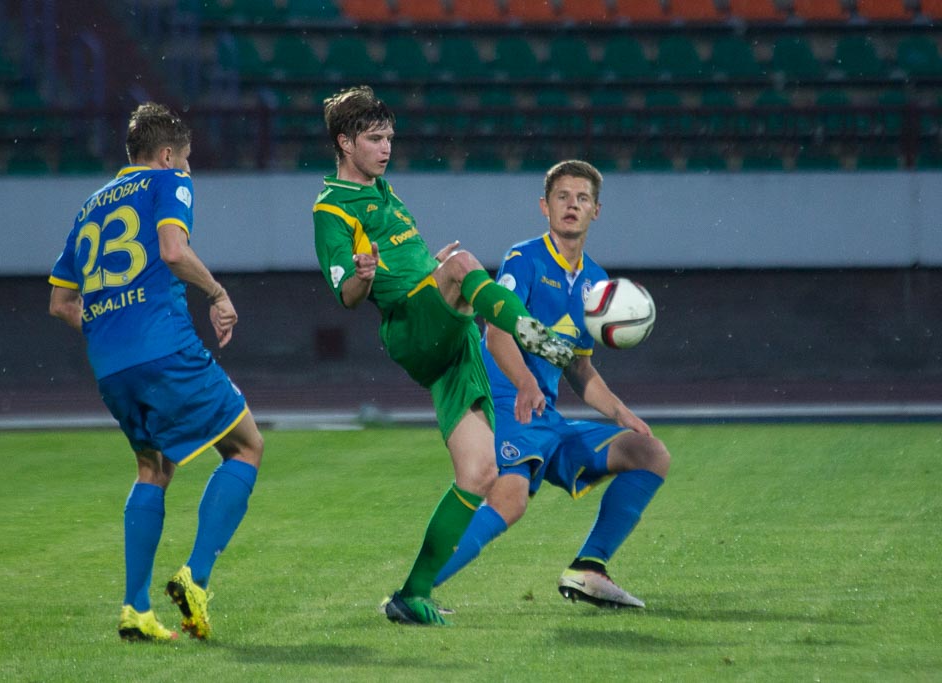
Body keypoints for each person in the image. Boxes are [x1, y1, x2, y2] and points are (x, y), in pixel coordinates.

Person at [312, 85, 574, 626]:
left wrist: (430, 270)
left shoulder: (386, 192)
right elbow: (347, 295)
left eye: (389, 138)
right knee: (462, 263)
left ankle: (411, 596)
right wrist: (364, 276)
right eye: (374, 139)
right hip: (412, 327)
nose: (386, 148)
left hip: (449, 335)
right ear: (344, 142)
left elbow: (408, 264)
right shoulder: (330, 208)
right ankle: (532, 333)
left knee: (480, 473)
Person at [48, 103, 264, 641]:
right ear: (167, 155)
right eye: (186, 159)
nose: (188, 168)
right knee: (246, 446)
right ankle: (196, 577)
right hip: (164, 348)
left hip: (110, 365)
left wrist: (112, 331)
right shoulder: (168, 181)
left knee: (153, 468)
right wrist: (217, 293)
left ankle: (136, 609)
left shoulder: (90, 206)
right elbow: (173, 250)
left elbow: (61, 303)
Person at [433, 160, 670, 609]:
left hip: (545, 414)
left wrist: (622, 413)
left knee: (650, 453)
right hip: (508, 401)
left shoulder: (597, 282)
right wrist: (525, 382)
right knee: (510, 499)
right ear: (545, 206)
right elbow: (497, 332)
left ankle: (589, 569)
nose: (572, 205)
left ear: (596, 210)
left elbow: (579, 368)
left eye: (582, 198)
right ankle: (415, 592)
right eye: (562, 197)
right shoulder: (524, 259)